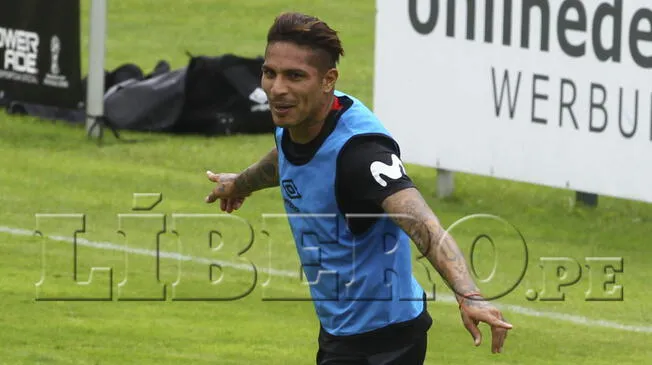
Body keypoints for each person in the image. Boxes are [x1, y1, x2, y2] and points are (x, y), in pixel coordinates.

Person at [204, 11, 512, 364]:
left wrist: (469, 294)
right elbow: (287, 158)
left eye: (294, 76)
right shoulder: (298, 116)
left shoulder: (361, 155)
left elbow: (422, 222)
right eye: (269, 73)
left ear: (327, 80)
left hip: (383, 342)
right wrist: (239, 184)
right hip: (342, 330)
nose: (277, 89)